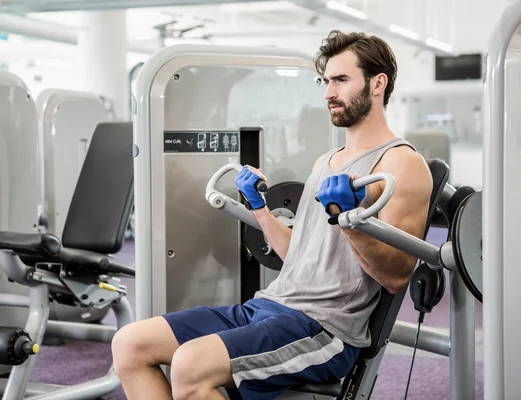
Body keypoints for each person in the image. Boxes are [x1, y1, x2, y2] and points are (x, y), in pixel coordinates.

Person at [111, 30, 433, 400]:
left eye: (342, 80)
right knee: (130, 344)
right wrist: (261, 211)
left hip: (324, 328)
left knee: (190, 366)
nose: (329, 92)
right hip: (271, 305)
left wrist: (348, 219)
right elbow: (300, 258)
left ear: (378, 83)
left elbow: (396, 276)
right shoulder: (326, 161)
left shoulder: (401, 163)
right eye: (327, 81)